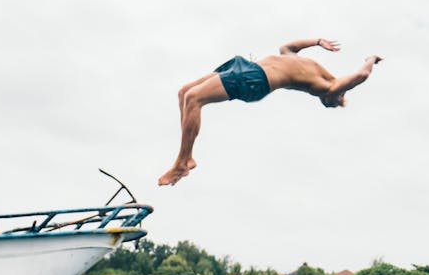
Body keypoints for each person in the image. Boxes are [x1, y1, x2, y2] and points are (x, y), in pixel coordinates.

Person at [158, 38, 382, 186]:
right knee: (184, 92)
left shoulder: (328, 87)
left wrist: (370, 59)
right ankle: (186, 158)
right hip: (247, 67)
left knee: (194, 98)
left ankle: (181, 162)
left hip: (256, 80)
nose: (338, 96)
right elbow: (288, 47)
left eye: (333, 100)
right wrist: (317, 41)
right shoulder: (308, 65)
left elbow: (362, 76)